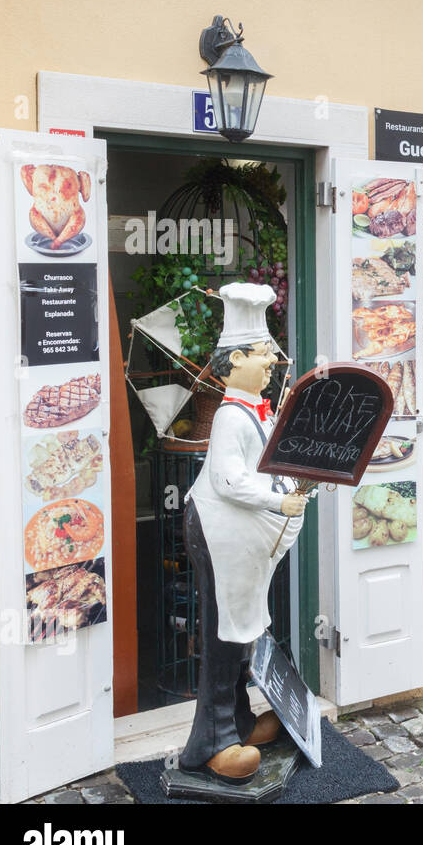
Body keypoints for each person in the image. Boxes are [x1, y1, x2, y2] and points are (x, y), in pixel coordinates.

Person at [180, 283, 310, 785]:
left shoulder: (255, 411)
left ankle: (237, 723)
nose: (271, 363)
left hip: (237, 540)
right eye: (263, 355)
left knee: (239, 633)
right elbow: (228, 480)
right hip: (216, 535)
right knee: (220, 634)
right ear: (235, 361)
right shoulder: (230, 418)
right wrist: (279, 500)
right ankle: (211, 743)